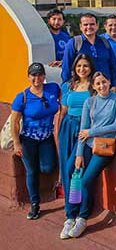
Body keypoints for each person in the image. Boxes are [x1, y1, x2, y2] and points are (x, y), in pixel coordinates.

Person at [61, 71, 116, 239]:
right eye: (98, 84)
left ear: (109, 82)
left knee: (87, 179)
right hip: (87, 143)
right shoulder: (90, 102)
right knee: (70, 170)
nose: (102, 86)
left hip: (105, 144)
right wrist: (79, 154)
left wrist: (92, 131)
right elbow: (83, 130)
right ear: (93, 87)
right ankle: (70, 216)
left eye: (104, 82)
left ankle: (82, 217)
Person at [10, 63, 60, 219]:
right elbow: (15, 122)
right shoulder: (23, 97)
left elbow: (64, 99)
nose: (37, 78)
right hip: (28, 139)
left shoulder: (53, 89)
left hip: (46, 137)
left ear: (44, 76)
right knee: (32, 172)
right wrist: (17, 143)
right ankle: (35, 204)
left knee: (48, 167)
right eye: (33, 75)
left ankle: (36, 162)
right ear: (28, 77)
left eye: (39, 74)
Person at [57, 54, 95, 207]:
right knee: (65, 166)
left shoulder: (95, 86)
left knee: (75, 166)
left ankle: (84, 205)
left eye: (85, 66)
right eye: (79, 66)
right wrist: (58, 132)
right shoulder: (69, 86)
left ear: (91, 68)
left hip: (85, 129)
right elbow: (63, 111)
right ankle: (70, 205)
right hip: (68, 126)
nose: (82, 69)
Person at [61, 13, 116, 91]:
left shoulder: (104, 42)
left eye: (92, 24)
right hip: (83, 89)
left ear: (97, 26)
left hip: (105, 88)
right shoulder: (74, 43)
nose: (89, 27)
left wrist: (114, 85)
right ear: (80, 27)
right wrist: (67, 88)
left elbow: (113, 65)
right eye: (85, 24)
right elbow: (66, 67)